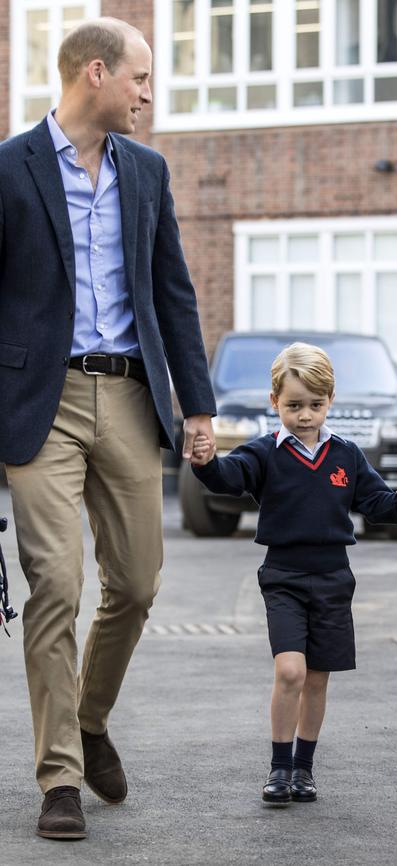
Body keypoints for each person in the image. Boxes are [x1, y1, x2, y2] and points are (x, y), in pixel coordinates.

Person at [0, 18, 216, 839]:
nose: (148, 95)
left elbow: (175, 292)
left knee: (136, 583)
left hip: (129, 396)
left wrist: (196, 406)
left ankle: (89, 723)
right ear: (97, 73)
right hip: (39, 404)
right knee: (56, 583)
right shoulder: (9, 170)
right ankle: (58, 776)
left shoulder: (148, 172)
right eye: (141, 79)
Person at [192, 342, 397, 807]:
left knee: (317, 679)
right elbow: (228, 477)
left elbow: (379, 507)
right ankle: (279, 768)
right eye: (294, 405)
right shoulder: (264, 453)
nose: (305, 415)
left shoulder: (346, 456)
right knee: (290, 671)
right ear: (274, 401)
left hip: (333, 581)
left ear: (331, 400)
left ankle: (304, 770)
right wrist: (206, 463)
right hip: (283, 577)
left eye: (315, 405)